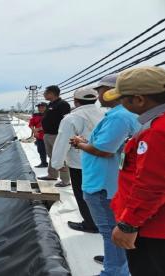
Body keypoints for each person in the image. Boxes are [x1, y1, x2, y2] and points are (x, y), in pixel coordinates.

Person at [71, 74, 140, 276]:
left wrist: (79, 143)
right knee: (112, 229)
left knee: (110, 230)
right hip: (110, 180)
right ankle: (115, 261)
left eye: (100, 90)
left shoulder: (119, 117)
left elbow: (104, 150)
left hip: (102, 183)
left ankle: (113, 271)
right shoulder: (125, 115)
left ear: (111, 92)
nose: (98, 95)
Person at [104, 66, 165, 276]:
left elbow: (152, 185)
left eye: (123, 99)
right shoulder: (153, 124)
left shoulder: (157, 132)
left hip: (152, 227)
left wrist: (129, 225)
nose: (121, 104)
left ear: (139, 99)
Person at [51, 87, 104, 234]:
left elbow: (63, 141)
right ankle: (105, 222)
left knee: (83, 195)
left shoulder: (72, 118)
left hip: (80, 163)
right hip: (105, 161)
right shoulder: (105, 114)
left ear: (75, 101)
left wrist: (57, 163)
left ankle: (90, 223)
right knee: (102, 194)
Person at [39, 85, 71, 187]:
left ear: (52, 93)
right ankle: (52, 175)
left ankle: (65, 180)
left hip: (57, 135)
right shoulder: (50, 105)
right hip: (48, 134)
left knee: (61, 156)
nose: (44, 94)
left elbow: (67, 120)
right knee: (52, 156)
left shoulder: (62, 104)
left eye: (46, 92)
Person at [28, 102, 48, 168]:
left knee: (51, 151)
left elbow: (51, 124)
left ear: (46, 107)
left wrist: (39, 129)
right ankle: (44, 163)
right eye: (39, 107)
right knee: (41, 150)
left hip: (49, 136)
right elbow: (31, 124)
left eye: (42, 107)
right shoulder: (35, 115)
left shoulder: (50, 115)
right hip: (39, 136)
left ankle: (54, 166)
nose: (40, 109)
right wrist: (34, 131)